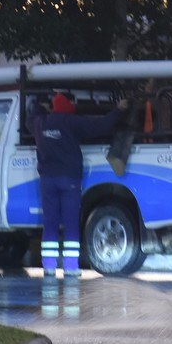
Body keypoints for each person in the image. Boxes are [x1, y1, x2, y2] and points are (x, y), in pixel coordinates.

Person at [29, 91, 128, 276]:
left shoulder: (39, 123)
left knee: (50, 222)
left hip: (47, 180)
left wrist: (38, 105)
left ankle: (49, 266)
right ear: (68, 107)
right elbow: (101, 125)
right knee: (70, 222)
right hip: (70, 181)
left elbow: (32, 117)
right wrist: (118, 110)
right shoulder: (71, 122)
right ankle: (71, 267)